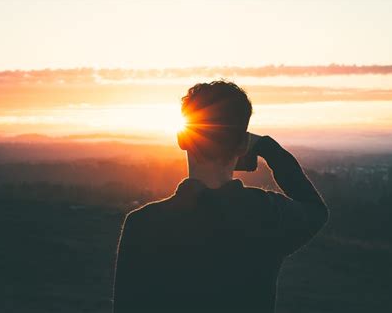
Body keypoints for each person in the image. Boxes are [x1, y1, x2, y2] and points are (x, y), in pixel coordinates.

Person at [112, 81, 329, 313]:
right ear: (242, 145)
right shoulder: (268, 214)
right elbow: (316, 210)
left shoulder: (143, 224)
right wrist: (267, 147)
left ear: (182, 139)